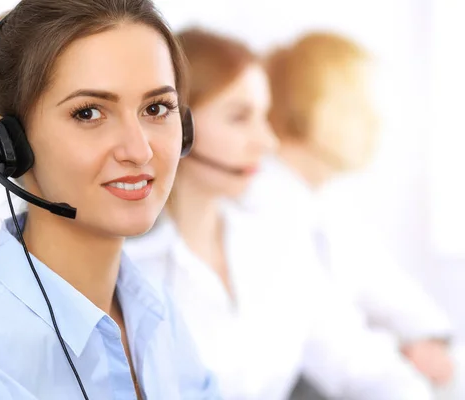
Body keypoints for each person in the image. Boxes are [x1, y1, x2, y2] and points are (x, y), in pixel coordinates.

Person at [0, 1, 221, 399]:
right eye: (89, 113)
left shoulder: (158, 319)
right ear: (11, 146)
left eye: (156, 108)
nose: (139, 151)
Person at [124, 28, 436, 400]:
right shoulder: (128, 267)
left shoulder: (276, 242)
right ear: (173, 123)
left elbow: (359, 361)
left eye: (265, 116)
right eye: (239, 117)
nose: (267, 142)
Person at [244, 31, 454, 388]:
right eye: (355, 106)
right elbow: (337, 348)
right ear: (304, 107)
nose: (375, 121)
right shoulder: (261, 206)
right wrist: (409, 358)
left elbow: (387, 288)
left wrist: (433, 339)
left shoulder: (324, 201)